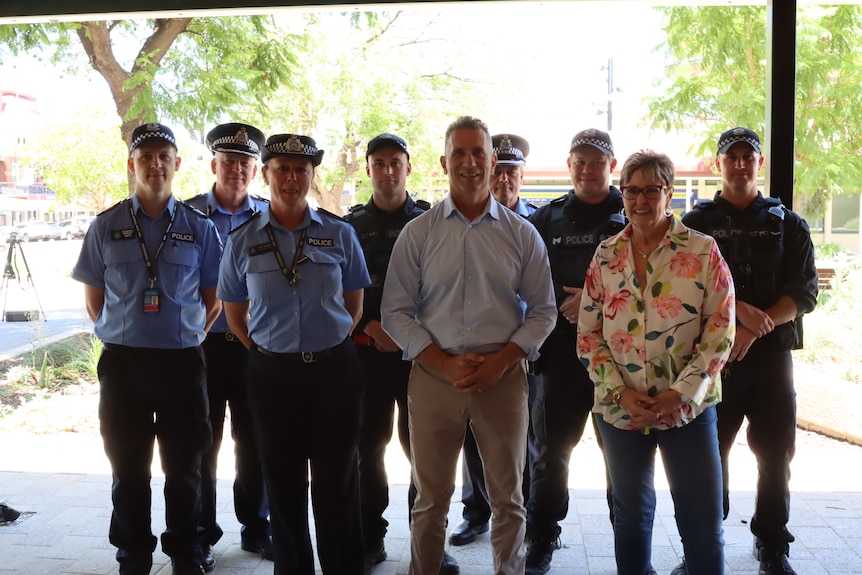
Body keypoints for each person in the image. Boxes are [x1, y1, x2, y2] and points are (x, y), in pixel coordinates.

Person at [381, 116, 556, 575]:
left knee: (508, 499)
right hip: (435, 379)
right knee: (430, 500)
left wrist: (501, 362)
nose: (470, 162)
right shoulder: (418, 233)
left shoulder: (522, 235)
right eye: (459, 153)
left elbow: (544, 311)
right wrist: (442, 361)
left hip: (502, 379)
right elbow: (395, 311)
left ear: (493, 160)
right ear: (443, 162)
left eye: (479, 152)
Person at [71, 122, 223, 575]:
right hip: (124, 366)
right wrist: (127, 330)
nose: (155, 165)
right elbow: (94, 301)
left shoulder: (200, 228)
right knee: (128, 468)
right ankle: (133, 552)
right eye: (146, 157)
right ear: (132, 164)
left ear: (176, 164)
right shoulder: (106, 225)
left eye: (164, 156)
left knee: (185, 469)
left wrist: (186, 331)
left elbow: (213, 301)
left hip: (182, 365)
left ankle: (185, 552)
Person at [217, 133, 370, 575]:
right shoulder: (243, 240)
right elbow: (234, 314)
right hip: (272, 377)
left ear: (311, 176)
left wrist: (325, 341)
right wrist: (271, 352)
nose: (291, 177)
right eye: (281, 168)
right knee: (282, 485)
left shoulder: (340, 234)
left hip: (334, 375)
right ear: (265, 175)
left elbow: (354, 305)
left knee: (337, 483)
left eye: (300, 169)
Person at [578, 149, 736, 575]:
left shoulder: (703, 252)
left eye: (652, 190)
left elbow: (721, 330)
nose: (640, 200)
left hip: (687, 409)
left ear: (669, 192)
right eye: (631, 190)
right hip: (619, 408)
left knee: (701, 519)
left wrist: (678, 394)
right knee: (631, 516)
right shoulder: (606, 255)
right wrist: (618, 392)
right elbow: (588, 334)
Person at [682, 128, 818, 575]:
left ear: (759, 163)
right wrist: (736, 313)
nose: (740, 164)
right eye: (731, 157)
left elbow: (804, 292)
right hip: (713, 358)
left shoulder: (788, 222)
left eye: (748, 157)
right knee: (708, 452)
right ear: (718, 164)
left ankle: (772, 542)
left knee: (775, 452)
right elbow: (686, 288)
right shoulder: (694, 224)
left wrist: (755, 328)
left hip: (770, 359)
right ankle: (704, 543)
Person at [344, 133, 459, 575]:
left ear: (409, 168)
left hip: (421, 358)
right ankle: (369, 537)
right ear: (369, 168)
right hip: (367, 353)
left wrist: (409, 335)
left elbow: (444, 291)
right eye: (379, 162)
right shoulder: (349, 226)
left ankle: (428, 542)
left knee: (426, 455)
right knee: (367, 449)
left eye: (396, 162)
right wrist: (371, 326)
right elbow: (339, 290)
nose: (388, 170)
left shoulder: (432, 222)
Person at [523, 128, 624, 575]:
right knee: (550, 453)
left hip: (618, 357)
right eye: (579, 161)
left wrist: (592, 297)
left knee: (622, 454)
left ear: (611, 165)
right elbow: (524, 279)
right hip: (561, 356)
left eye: (596, 161)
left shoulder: (632, 214)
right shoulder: (546, 219)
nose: (587, 169)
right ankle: (542, 535)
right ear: (569, 166)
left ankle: (630, 538)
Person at [186, 122, 272, 570]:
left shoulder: (271, 217)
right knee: (203, 441)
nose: (237, 169)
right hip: (202, 346)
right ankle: (199, 535)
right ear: (214, 165)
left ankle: (257, 528)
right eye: (229, 161)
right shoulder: (188, 216)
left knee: (254, 439)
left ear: (255, 170)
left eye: (245, 162)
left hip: (254, 346)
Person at [450, 132, 539, 548]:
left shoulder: (537, 223)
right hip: (475, 353)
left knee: (526, 439)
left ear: (522, 176)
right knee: (472, 438)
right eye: (498, 171)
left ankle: (522, 512)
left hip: (529, 352)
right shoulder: (460, 224)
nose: (504, 180)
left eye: (511, 172)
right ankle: (476, 512)